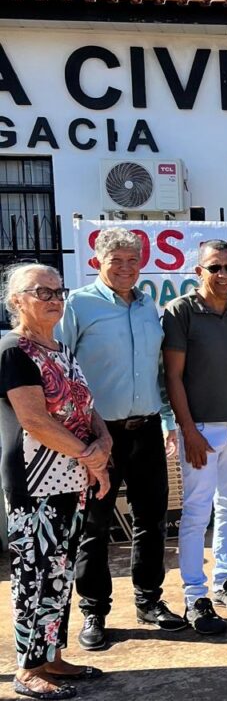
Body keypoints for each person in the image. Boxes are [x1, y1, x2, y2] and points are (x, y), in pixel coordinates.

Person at [56, 227, 186, 652]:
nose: (126, 268)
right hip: (97, 434)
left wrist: (167, 420)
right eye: (117, 261)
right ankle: (94, 610)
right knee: (95, 525)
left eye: (133, 260)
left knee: (152, 520)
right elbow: (60, 368)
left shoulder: (148, 306)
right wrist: (76, 431)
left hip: (145, 429)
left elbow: (158, 373)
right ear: (97, 262)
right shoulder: (78, 305)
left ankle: (149, 601)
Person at [0, 263, 112, 699]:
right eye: (41, 292)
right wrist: (91, 456)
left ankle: (52, 656)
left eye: (58, 291)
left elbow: (85, 406)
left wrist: (103, 441)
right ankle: (28, 669)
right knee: (34, 574)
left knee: (60, 572)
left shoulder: (61, 348)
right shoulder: (14, 350)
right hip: (36, 481)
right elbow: (34, 420)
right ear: (17, 301)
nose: (53, 299)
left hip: (71, 478)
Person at [162, 240, 227, 634]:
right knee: (195, 514)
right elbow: (173, 376)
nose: (223, 275)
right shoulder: (181, 311)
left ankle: (224, 582)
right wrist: (187, 429)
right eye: (215, 267)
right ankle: (194, 596)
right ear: (199, 271)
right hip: (201, 430)